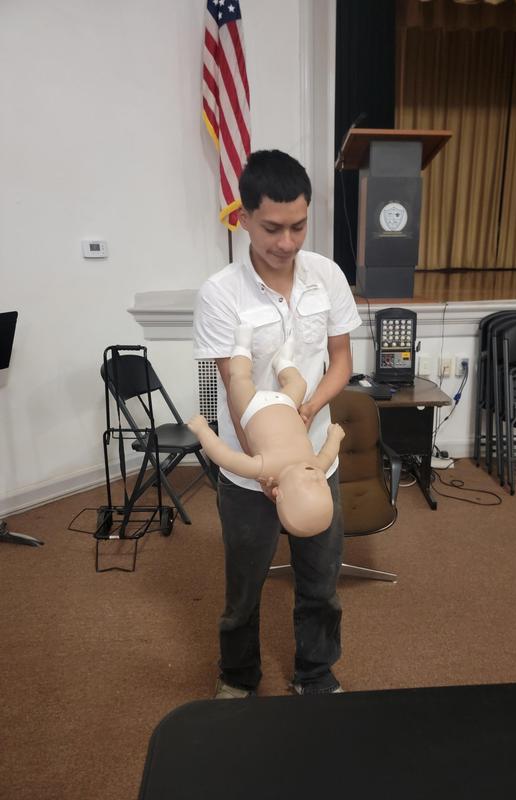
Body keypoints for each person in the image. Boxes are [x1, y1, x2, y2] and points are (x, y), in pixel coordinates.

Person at [193, 149, 362, 699]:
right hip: (252, 471)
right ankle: (238, 678)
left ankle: (316, 674)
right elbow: (235, 390)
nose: (286, 242)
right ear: (243, 217)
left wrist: (309, 412)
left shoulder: (326, 277)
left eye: (297, 226)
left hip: (316, 462)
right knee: (244, 587)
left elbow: (341, 362)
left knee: (321, 581)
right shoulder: (221, 294)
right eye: (272, 228)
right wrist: (269, 469)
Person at [188, 325, 346, 537]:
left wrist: (202, 430)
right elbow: (328, 453)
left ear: (279, 494)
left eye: (310, 484)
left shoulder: (264, 469)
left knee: (239, 378)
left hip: (252, 408)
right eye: (323, 486)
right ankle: (283, 363)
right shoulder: (316, 466)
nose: (318, 478)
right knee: (299, 383)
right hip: (287, 404)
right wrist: (335, 437)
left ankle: (242, 347)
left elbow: (223, 456)